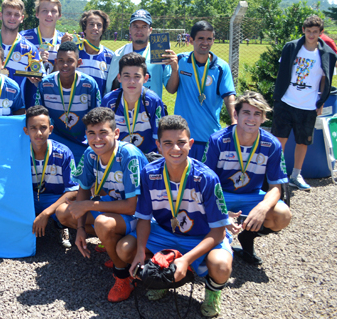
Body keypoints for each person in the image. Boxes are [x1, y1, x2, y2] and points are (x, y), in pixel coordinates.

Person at [117, 115, 233, 318]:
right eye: (168, 143)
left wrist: (186, 260)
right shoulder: (149, 173)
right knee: (125, 249)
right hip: (164, 233)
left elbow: (218, 231)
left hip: (201, 236)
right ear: (158, 146)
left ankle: (212, 293)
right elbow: (144, 218)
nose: (176, 149)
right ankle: (164, 276)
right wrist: (140, 253)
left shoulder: (206, 178)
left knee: (221, 266)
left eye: (181, 143)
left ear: (191, 143)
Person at [55, 107, 147, 303]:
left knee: (103, 224)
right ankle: (111, 242)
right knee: (63, 212)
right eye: (91, 133)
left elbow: (133, 206)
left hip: (142, 215)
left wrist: (88, 205)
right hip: (114, 206)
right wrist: (80, 229)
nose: (97, 139)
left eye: (103, 133)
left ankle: (122, 277)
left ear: (115, 133)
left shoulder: (128, 155)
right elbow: (83, 189)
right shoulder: (90, 153)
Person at [203, 91, 292, 265]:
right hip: (221, 194)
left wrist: (263, 207)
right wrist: (220, 212)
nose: (251, 118)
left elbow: (276, 187)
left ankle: (248, 235)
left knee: (283, 215)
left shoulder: (272, 144)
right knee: (199, 210)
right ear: (235, 114)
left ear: (264, 118)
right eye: (246, 112)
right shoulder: (218, 140)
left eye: (257, 114)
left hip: (252, 195)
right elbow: (205, 185)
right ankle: (212, 245)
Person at [271, 14, 337, 190]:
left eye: (315, 32)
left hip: (308, 105)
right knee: (280, 140)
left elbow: (325, 78)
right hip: (286, 101)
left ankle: (296, 175)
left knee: (303, 142)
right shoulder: (291, 47)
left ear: (321, 33)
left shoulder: (328, 54)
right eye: (308, 31)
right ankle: (276, 175)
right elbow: (282, 72)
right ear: (303, 31)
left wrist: (321, 100)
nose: (311, 35)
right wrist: (277, 98)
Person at [166, 21, 236, 160]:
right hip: (182, 136)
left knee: (205, 179)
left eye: (209, 39)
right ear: (191, 40)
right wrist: (175, 70)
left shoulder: (221, 67)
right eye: (201, 38)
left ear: (213, 41)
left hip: (208, 135)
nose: (205, 42)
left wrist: (234, 121)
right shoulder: (181, 60)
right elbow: (171, 89)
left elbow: (229, 96)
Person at [36, 41, 101, 162]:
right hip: (54, 144)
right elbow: (39, 117)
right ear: (56, 62)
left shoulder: (89, 85)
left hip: (82, 145)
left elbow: (97, 118)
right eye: (61, 60)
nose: (65, 65)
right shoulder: (45, 84)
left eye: (70, 61)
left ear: (79, 62)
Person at [24, 105, 78, 248]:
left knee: (66, 213)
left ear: (51, 129)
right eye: (33, 128)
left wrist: (46, 213)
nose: (39, 133)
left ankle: (61, 225)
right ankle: (21, 233)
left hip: (54, 198)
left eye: (43, 127)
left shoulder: (63, 153)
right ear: (26, 131)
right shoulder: (19, 153)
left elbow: (74, 190)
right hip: (28, 198)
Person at [102, 53, 167, 156]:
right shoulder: (109, 101)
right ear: (119, 77)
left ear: (145, 78)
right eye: (126, 76)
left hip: (147, 158)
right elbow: (103, 136)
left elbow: (161, 138)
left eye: (137, 77)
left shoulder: (153, 101)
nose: (131, 81)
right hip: (117, 157)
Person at [105, 9, 175, 98]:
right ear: (130, 29)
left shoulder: (160, 52)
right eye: (135, 26)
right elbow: (113, 85)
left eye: (144, 26)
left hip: (151, 108)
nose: (139, 30)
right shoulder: (120, 53)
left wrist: (175, 69)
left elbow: (171, 89)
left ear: (150, 30)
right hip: (125, 109)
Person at [20, 0, 65, 108]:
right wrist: (35, 60)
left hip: (57, 98)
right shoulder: (23, 37)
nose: (49, 14)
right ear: (37, 14)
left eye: (53, 11)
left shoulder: (64, 40)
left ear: (59, 15)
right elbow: (15, 67)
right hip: (29, 96)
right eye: (44, 11)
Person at [74, 10, 113, 95]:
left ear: (103, 30)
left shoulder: (110, 57)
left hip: (99, 107)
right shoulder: (74, 52)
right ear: (84, 28)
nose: (95, 28)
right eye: (91, 24)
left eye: (99, 25)